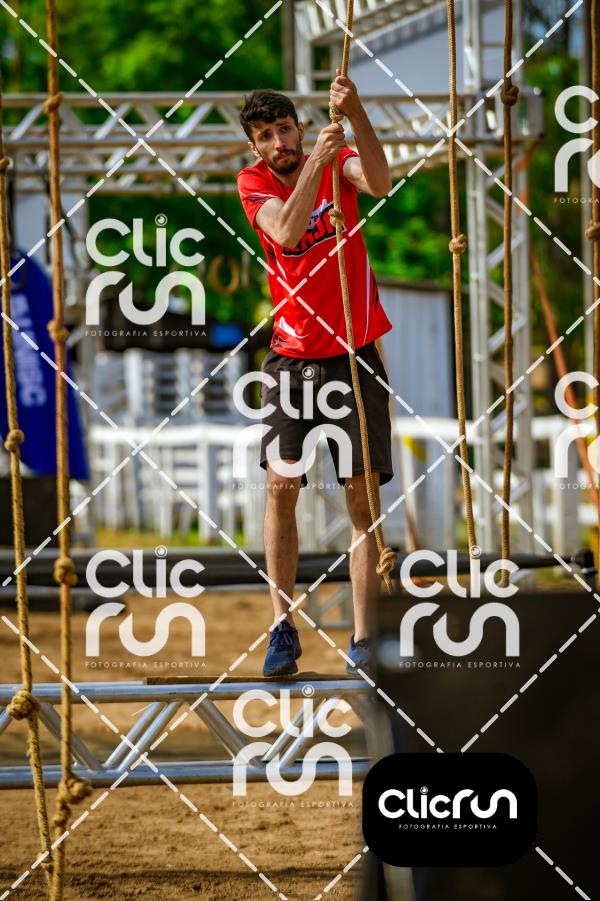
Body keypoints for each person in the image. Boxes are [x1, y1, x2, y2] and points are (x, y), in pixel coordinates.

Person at [237, 74, 393, 677]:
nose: (279, 142)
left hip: (355, 353)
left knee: (362, 498)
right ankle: (282, 626)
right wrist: (318, 165)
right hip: (292, 355)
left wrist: (356, 113)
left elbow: (379, 182)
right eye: (266, 135)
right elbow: (287, 230)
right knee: (282, 487)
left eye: (284, 129)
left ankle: (363, 635)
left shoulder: (336, 158)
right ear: (255, 146)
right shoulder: (254, 183)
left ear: (300, 129)